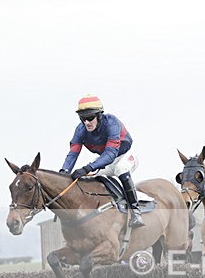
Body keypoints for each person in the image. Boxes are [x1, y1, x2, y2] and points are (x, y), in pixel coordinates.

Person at [61, 95, 144, 227]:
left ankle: (136, 212)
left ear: (99, 115)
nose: (87, 122)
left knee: (120, 169)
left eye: (90, 118)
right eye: (83, 118)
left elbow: (110, 154)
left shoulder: (112, 122)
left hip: (124, 155)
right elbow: (73, 153)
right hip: (105, 160)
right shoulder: (80, 130)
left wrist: (88, 167)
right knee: (92, 179)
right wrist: (64, 172)